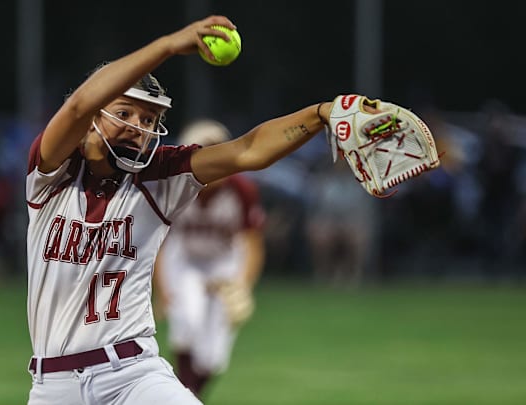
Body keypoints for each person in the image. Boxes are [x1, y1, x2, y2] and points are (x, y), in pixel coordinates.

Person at [24, 15, 378, 405]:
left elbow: (248, 150)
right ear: (95, 118)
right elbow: (76, 107)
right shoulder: (53, 172)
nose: (138, 126)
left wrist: (321, 114)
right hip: (54, 385)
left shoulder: (159, 174)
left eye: (148, 119)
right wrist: (168, 46)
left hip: (133, 374)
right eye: (124, 113)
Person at [153, 119, 266, 398]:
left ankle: (189, 396)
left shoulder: (241, 189)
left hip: (224, 263)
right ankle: (184, 397)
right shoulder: (174, 186)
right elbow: (159, 243)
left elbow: (252, 243)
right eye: (207, 151)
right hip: (185, 260)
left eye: (220, 150)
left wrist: (243, 285)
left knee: (214, 352)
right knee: (188, 323)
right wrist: (164, 288)